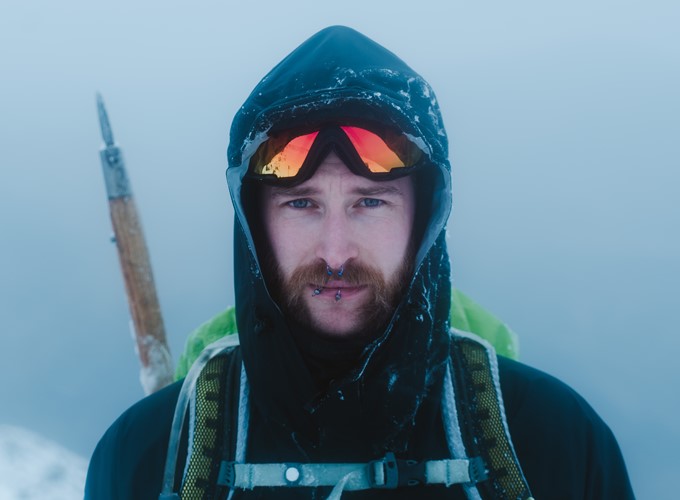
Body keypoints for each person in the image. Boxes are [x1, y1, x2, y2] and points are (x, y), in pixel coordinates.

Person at [85, 26, 634, 499]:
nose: (336, 251)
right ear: (253, 225)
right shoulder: (145, 459)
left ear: (424, 220)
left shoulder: (553, 445)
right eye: (302, 204)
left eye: (370, 203)